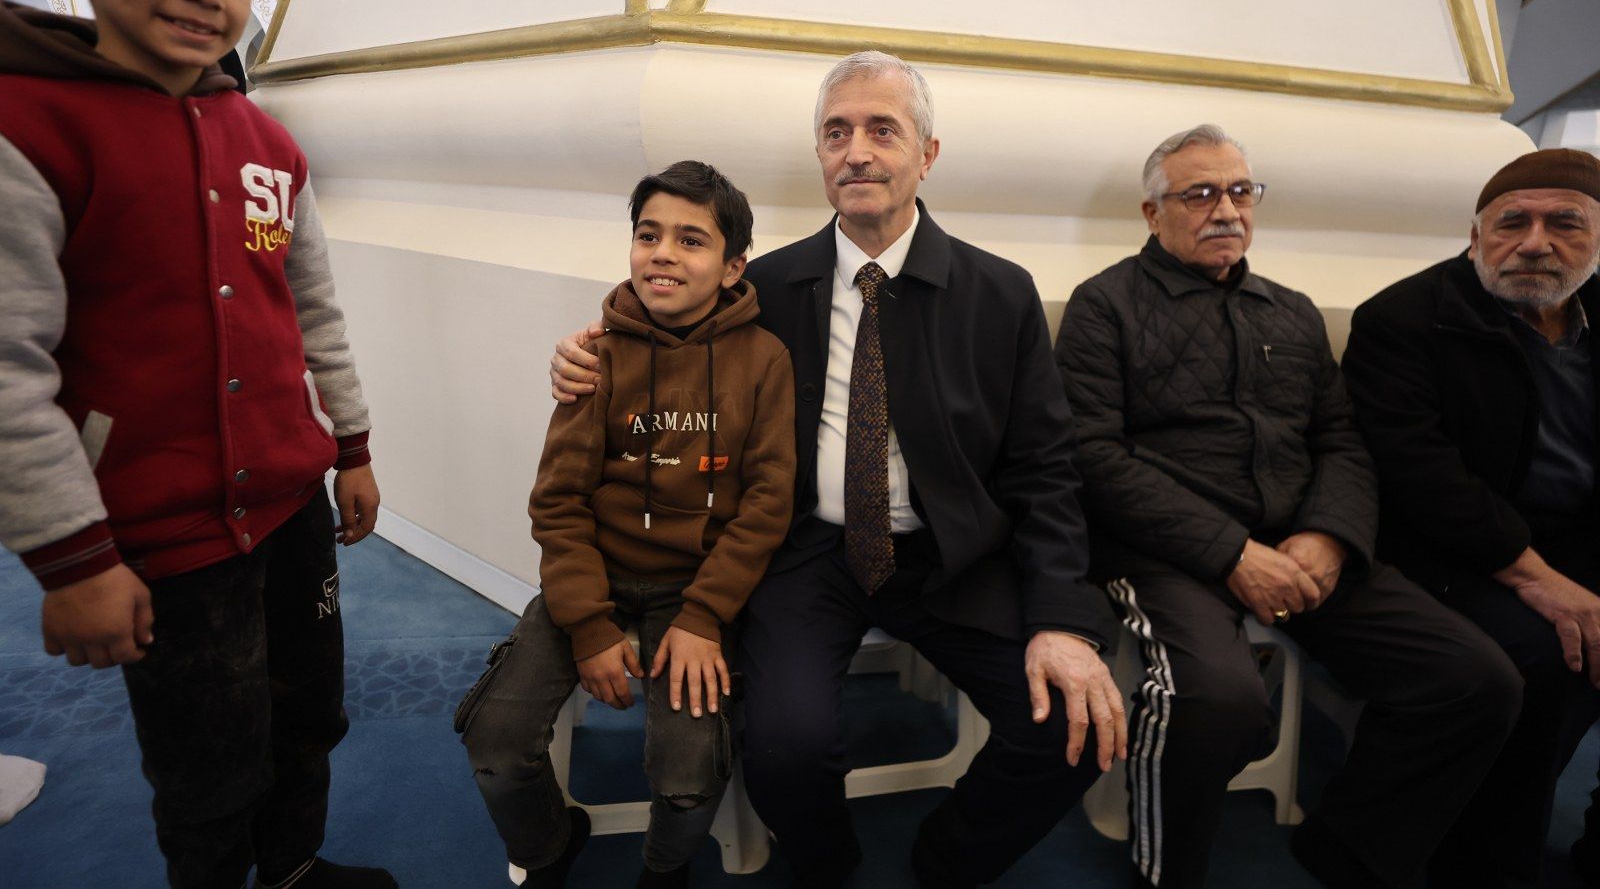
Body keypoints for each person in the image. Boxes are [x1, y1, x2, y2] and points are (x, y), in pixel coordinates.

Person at [552, 51, 1125, 889]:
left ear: (927, 154)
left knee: (1070, 722)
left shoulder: (1000, 294)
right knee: (783, 749)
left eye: (882, 130)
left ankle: (945, 860)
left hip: (954, 554)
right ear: (820, 154)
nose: (856, 151)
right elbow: (664, 305)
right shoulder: (766, 286)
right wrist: (588, 350)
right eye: (836, 132)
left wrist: (1062, 621)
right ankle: (830, 867)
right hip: (807, 551)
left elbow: (1045, 469)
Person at [0, 0, 389, 887]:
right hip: (160, 535)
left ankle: (293, 867)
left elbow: (313, 309)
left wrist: (351, 446)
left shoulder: (269, 144)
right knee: (209, 762)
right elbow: (8, 369)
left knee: (308, 712)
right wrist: (74, 558)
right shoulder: (30, 128)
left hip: (290, 503)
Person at [1054, 123, 1521, 889]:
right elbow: (1092, 455)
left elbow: (1342, 437)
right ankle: (1164, 873)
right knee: (1220, 702)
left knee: (1477, 679)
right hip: (1164, 551)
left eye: (1241, 191)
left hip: (1302, 541)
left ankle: (1348, 849)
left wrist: (1329, 536)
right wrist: (1232, 552)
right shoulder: (1104, 305)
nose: (1226, 209)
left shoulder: (1292, 310)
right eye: (1200, 194)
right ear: (1152, 212)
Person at [461, 162, 795, 889]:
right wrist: (587, 624)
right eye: (648, 235)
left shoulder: (765, 361)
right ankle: (549, 846)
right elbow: (559, 501)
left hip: (694, 593)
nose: (663, 254)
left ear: (733, 267)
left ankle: (664, 867)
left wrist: (705, 616)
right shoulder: (596, 356)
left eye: (691, 240)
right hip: (592, 580)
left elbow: (768, 504)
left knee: (689, 771)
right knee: (495, 739)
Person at [1342, 147, 1600, 888]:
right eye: (1512, 222)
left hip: (1578, 535)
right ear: (1476, 233)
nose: (1535, 243)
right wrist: (1542, 580)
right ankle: (1483, 867)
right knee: (1548, 656)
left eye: (1565, 224)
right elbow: (1422, 478)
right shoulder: (1404, 318)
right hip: (1448, 547)